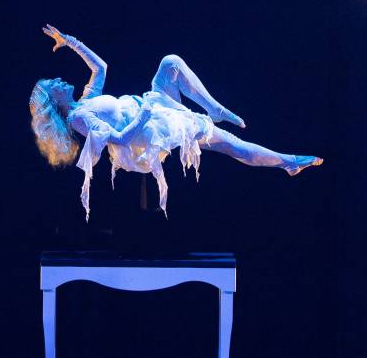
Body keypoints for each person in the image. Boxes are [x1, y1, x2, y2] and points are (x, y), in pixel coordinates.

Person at [30, 25, 322, 219]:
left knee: (171, 63)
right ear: (54, 101)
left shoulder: (85, 100)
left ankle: (216, 109)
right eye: (54, 84)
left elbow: (101, 67)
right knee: (231, 145)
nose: (59, 79)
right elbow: (119, 139)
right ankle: (288, 162)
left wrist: (71, 42)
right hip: (152, 128)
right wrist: (144, 114)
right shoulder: (79, 117)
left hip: (154, 108)